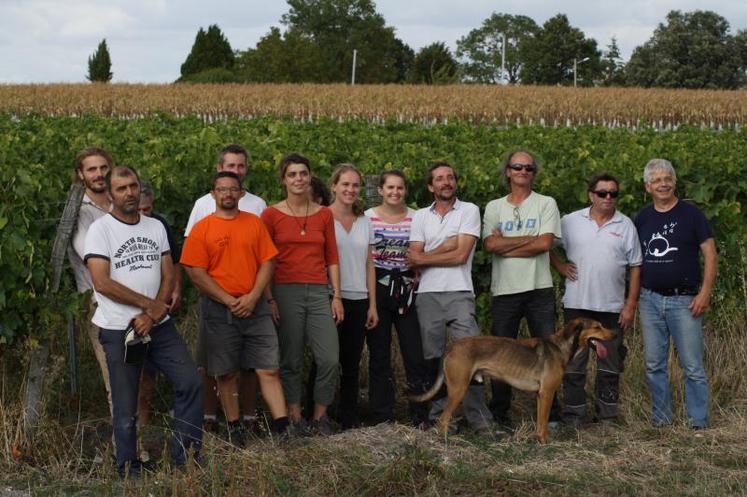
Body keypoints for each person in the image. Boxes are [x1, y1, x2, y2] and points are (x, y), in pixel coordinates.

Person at [84, 166, 201, 477]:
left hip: (158, 326)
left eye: (133, 186)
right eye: (121, 188)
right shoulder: (101, 230)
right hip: (120, 329)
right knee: (126, 405)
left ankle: (184, 457)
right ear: (110, 194)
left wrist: (152, 314)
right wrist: (148, 306)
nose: (130, 193)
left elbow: (167, 272)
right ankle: (127, 467)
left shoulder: (155, 226)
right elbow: (102, 282)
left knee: (190, 382)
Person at [181, 171, 290, 445]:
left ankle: (283, 428)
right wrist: (228, 300)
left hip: (256, 306)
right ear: (213, 194)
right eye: (222, 189)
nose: (227, 194)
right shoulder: (202, 228)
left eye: (233, 189)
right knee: (226, 372)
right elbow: (196, 273)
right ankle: (234, 428)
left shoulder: (254, 224)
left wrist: (254, 296)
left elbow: (268, 262)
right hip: (219, 309)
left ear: (241, 193)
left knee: (268, 368)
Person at [184, 144, 266, 434]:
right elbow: (193, 257)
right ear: (219, 169)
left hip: (249, 297)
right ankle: (210, 415)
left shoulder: (257, 205)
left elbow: (264, 257)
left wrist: (255, 296)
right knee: (211, 360)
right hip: (214, 297)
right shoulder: (202, 204)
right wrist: (222, 296)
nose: (235, 171)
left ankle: (248, 416)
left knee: (249, 361)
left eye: (240, 166)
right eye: (230, 166)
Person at [261, 153, 343, 436]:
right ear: (283, 179)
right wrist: (269, 298)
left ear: (310, 177)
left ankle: (320, 416)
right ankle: (295, 415)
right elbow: (265, 261)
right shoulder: (270, 214)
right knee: (291, 358)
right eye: (292, 174)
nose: (298, 179)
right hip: (285, 290)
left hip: (320, 290)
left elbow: (331, 256)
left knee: (330, 357)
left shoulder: (323, 214)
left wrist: (337, 296)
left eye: (303, 174)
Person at [408, 162, 493, 434]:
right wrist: (446, 246)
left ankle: (479, 419)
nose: (446, 182)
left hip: (459, 292)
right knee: (433, 358)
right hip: (427, 294)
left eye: (450, 178)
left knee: (473, 355)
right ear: (431, 186)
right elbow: (413, 258)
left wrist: (427, 256)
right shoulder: (420, 216)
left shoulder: (469, 210)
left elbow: (460, 256)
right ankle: (442, 418)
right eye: (439, 179)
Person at [550, 173, 642, 426]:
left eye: (614, 193)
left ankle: (607, 418)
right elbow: (546, 244)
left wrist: (630, 304)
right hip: (577, 306)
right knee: (573, 366)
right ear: (591, 195)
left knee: (610, 366)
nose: (608, 198)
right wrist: (559, 265)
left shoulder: (626, 225)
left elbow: (636, 266)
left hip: (611, 308)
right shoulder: (570, 221)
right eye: (603, 193)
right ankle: (574, 417)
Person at [634, 159, 717, 429]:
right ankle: (662, 419)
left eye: (667, 178)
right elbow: (634, 260)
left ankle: (698, 422)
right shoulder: (643, 218)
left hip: (685, 300)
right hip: (649, 300)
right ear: (648, 187)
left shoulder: (692, 215)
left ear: (674, 182)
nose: (663, 184)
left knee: (692, 367)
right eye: (657, 180)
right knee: (654, 364)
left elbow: (711, 254)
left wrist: (705, 292)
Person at [482, 150, 562, 430]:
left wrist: (509, 245)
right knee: (501, 355)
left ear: (533, 173)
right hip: (504, 291)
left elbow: (545, 244)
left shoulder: (546, 203)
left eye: (529, 168)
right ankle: (500, 414)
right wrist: (530, 238)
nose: (523, 171)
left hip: (539, 288)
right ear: (508, 171)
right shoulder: (494, 207)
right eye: (517, 167)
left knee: (550, 352)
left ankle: (552, 416)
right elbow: (489, 245)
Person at [365, 170, 430, 426]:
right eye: (390, 188)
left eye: (400, 188)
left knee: (414, 353)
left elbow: (424, 250)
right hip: (378, 286)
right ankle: (383, 415)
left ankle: (419, 415)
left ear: (405, 191)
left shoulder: (417, 217)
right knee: (379, 353)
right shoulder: (367, 218)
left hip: (407, 287)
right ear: (380, 190)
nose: (395, 192)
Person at [135, 181, 184, 461]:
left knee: (152, 372)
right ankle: (137, 432)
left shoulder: (159, 225)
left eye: (149, 209)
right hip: (136, 310)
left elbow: (174, 260)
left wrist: (176, 289)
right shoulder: (117, 227)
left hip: (160, 308)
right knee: (138, 372)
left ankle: (149, 423)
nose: (145, 213)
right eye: (141, 209)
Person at [328, 164, 378, 429]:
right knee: (326, 360)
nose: (350, 189)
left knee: (351, 361)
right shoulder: (323, 217)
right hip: (330, 297)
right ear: (334, 186)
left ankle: (348, 417)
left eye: (355, 185)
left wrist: (372, 304)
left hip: (359, 298)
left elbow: (370, 262)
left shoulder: (364, 220)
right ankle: (318, 414)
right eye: (345, 184)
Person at [68, 147, 114, 414]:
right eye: (92, 169)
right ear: (80, 174)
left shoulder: (120, 199)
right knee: (115, 380)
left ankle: (136, 437)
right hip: (100, 304)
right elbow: (93, 256)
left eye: (103, 168)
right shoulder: (78, 211)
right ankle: (127, 451)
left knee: (140, 377)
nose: (99, 174)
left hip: (137, 300)